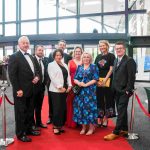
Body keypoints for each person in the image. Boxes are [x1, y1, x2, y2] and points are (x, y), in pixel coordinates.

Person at [8, 36, 40, 142]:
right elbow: (12, 75)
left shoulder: (30, 56)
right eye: (23, 43)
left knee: (30, 112)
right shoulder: (14, 56)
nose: (26, 44)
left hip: (31, 89)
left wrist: (37, 77)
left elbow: (35, 70)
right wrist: (18, 89)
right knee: (21, 113)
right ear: (19, 45)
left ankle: (29, 129)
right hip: (20, 91)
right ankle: (21, 134)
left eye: (27, 43)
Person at [104, 41, 136, 141]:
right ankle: (124, 129)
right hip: (116, 90)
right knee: (121, 110)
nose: (118, 50)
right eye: (116, 49)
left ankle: (116, 131)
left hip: (124, 91)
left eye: (120, 48)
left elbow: (132, 77)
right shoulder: (116, 60)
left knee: (121, 111)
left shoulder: (129, 60)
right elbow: (115, 75)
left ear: (124, 49)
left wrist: (128, 90)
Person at [73, 52, 99, 135]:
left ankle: (91, 128)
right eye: (84, 57)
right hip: (80, 92)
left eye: (88, 57)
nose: (86, 59)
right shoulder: (79, 67)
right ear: (82, 58)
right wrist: (79, 83)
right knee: (81, 109)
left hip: (90, 92)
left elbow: (95, 79)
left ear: (90, 58)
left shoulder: (94, 67)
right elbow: (75, 78)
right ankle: (84, 127)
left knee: (90, 109)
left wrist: (86, 84)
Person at [47, 40, 72, 125]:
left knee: (62, 107)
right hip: (56, 88)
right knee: (55, 106)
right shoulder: (51, 63)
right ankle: (55, 125)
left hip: (65, 88)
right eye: (60, 45)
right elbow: (52, 77)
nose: (59, 56)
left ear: (65, 47)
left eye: (63, 45)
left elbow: (68, 75)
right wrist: (60, 87)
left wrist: (69, 85)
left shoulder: (65, 62)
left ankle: (60, 124)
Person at [94, 40, 116, 127]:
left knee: (108, 99)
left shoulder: (111, 56)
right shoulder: (98, 56)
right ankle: (100, 117)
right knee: (99, 98)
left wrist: (105, 80)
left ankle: (106, 118)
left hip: (108, 79)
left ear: (107, 46)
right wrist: (97, 80)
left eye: (103, 45)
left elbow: (111, 69)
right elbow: (95, 69)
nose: (102, 47)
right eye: (100, 46)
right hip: (98, 80)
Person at [66, 47, 83, 128]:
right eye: (76, 52)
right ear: (74, 53)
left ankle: (80, 122)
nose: (77, 53)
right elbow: (68, 74)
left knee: (80, 103)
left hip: (82, 84)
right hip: (72, 84)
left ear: (81, 52)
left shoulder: (84, 61)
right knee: (71, 102)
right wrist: (69, 84)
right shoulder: (70, 62)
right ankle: (72, 122)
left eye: (79, 52)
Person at [32, 45, 47, 129]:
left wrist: (45, 83)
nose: (41, 52)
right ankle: (32, 125)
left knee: (39, 107)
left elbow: (44, 73)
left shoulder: (43, 61)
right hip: (33, 88)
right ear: (35, 51)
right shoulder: (32, 60)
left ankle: (39, 122)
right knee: (32, 107)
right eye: (39, 50)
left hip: (41, 88)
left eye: (42, 50)